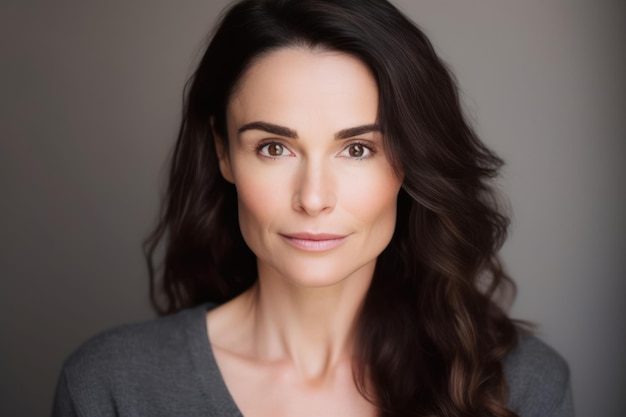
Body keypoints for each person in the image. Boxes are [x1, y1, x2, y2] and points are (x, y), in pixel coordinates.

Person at [52, 0, 574, 416]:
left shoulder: (518, 386)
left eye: (358, 149)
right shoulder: (112, 385)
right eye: (274, 148)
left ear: (411, 163)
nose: (314, 198)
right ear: (223, 153)